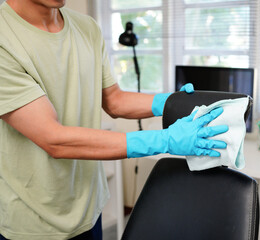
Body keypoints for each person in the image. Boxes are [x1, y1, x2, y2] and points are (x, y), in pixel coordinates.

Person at [0, 0, 228, 239]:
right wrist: (165, 140)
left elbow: (114, 100)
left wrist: (170, 101)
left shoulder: (87, 28)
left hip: (88, 208)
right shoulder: (5, 37)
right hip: (32, 223)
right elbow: (54, 139)